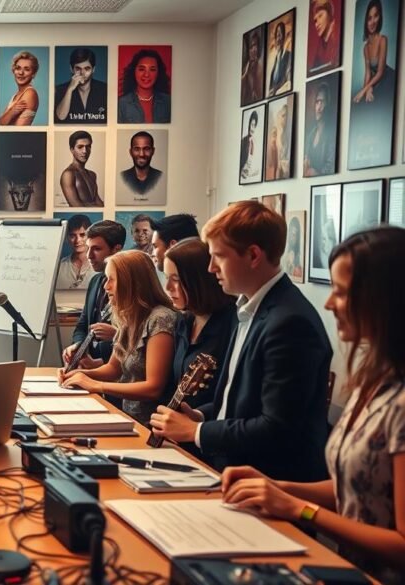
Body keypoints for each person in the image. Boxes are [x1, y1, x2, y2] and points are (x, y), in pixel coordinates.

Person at [222, 227, 405, 582]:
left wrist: (299, 509)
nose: (329, 302)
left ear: (386, 300)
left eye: (342, 292)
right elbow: (358, 489)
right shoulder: (374, 380)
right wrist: (278, 487)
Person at [150, 201, 332, 481]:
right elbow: (236, 402)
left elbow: (277, 427)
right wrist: (200, 416)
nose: (211, 268)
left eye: (218, 257)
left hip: (269, 481)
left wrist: (196, 432)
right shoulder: (247, 309)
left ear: (253, 255)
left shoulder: (290, 322)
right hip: (231, 469)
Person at [60, 250, 178, 426]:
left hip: (151, 425)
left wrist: (96, 385)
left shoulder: (161, 319)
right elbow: (113, 369)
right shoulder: (128, 317)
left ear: (131, 283)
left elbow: (153, 388)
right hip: (129, 418)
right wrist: (78, 374)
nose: (105, 287)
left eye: (111, 279)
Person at [162, 239, 236, 409]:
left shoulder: (233, 324)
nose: (168, 287)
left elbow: (231, 397)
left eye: (176, 279)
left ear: (199, 281)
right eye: (167, 278)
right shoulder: (184, 320)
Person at [62, 220, 126, 370]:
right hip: (92, 369)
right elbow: (82, 325)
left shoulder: (132, 286)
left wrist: (117, 335)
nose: (89, 255)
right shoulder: (96, 281)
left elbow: (139, 342)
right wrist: (79, 346)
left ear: (116, 249)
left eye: (96, 249)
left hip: (118, 372)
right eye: (88, 248)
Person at [353, 0, 393, 106]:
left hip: (388, 78)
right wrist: (367, 89)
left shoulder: (383, 40)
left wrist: (363, 91)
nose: (372, 22)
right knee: (365, 102)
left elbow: (380, 72)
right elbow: (368, 72)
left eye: (376, 16)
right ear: (366, 21)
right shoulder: (365, 48)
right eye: (369, 18)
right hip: (376, 81)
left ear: (380, 17)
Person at [54, 47, 107, 124]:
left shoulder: (105, 89)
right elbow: (61, 117)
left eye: (87, 69)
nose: (82, 73)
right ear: (71, 69)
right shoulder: (59, 90)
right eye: (78, 69)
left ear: (93, 69)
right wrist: (69, 90)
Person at [117, 49, 170, 124]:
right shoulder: (121, 103)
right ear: (134, 71)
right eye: (141, 69)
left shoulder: (168, 101)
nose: (146, 74)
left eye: (152, 69)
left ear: (158, 73)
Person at [59, 131, 102, 207]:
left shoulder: (92, 175)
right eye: (80, 147)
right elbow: (76, 207)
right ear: (72, 150)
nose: (85, 151)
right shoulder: (68, 174)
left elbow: (99, 203)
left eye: (88, 146)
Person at [0, 50, 39, 126]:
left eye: (26, 69)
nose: (21, 72)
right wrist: (11, 112)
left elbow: (18, 129)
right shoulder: (15, 95)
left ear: (33, 74)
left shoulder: (30, 93)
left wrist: (9, 114)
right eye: (18, 68)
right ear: (13, 70)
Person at [304, 81, 336, 177]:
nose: (319, 108)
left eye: (322, 102)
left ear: (327, 104)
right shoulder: (311, 135)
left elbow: (331, 167)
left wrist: (316, 173)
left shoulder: (332, 133)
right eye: (317, 102)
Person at [119, 131, 162, 199]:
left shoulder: (160, 176)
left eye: (146, 149)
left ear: (153, 151)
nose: (141, 154)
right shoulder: (122, 176)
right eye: (137, 149)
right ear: (130, 152)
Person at [56, 214, 93, 290]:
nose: (77, 240)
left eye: (82, 235)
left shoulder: (102, 267)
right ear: (67, 238)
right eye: (72, 236)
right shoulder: (58, 267)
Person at [309, 0, 340, 74]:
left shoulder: (337, 37)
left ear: (329, 13)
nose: (317, 24)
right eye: (315, 20)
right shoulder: (320, 45)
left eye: (320, 16)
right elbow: (314, 69)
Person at [265, 103, 290, 181]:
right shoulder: (276, 132)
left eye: (286, 116)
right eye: (283, 116)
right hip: (276, 169)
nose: (285, 119)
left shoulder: (286, 134)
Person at [268, 21, 292, 96]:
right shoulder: (272, 59)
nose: (278, 37)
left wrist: (276, 90)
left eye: (280, 34)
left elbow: (288, 81)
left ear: (284, 37)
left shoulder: (288, 56)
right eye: (277, 34)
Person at [241, 28, 264, 105]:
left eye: (256, 46)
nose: (254, 50)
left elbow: (259, 95)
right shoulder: (246, 69)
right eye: (251, 47)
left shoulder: (260, 67)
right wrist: (246, 73)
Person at [282, 215, 305, 281]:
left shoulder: (298, 258)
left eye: (294, 234)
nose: (291, 237)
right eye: (290, 233)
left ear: (297, 237)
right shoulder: (283, 254)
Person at [239, 110, 259, 181]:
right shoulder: (243, 141)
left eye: (254, 126)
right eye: (251, 125)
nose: (252, 128)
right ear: (249, 125)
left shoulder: (255, 143)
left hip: (250, 177)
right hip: (243, 176)